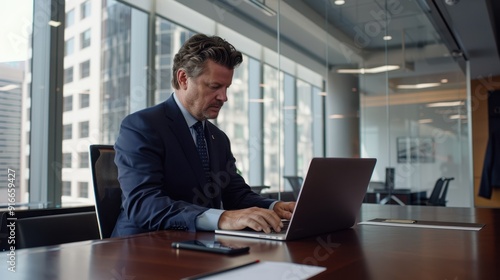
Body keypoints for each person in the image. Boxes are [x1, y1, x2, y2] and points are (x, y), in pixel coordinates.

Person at [112, 33, 296, 237]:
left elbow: (235, 194)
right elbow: (144, 204)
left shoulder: (218, 138)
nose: (224, 97)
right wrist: (223, 218)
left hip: (198, 247)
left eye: (226, 88)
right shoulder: (141, 126)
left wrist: (274, 207)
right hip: (144, 249)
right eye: (215, 86)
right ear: (183, 79)